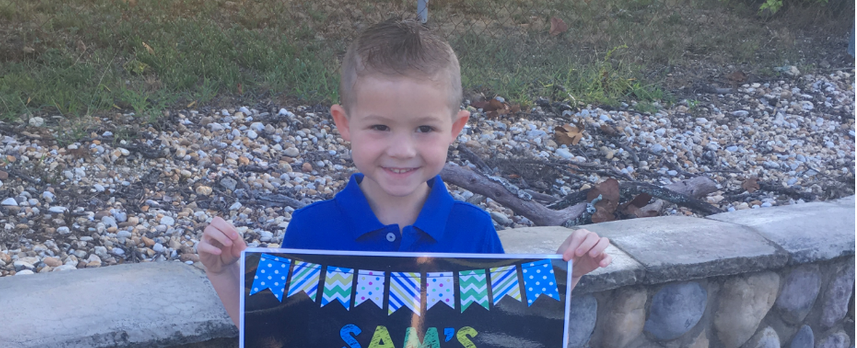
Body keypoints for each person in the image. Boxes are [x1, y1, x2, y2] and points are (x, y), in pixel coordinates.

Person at [198, 18, 610, 327]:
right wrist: (224, 274)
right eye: (380, 127)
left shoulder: (474, 231)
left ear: (455, 129)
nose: (401, 150)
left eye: (425, 129)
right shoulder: (310, 229)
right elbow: (276, 335)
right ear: (344, 124)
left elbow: (503, 333)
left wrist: (565, 273)